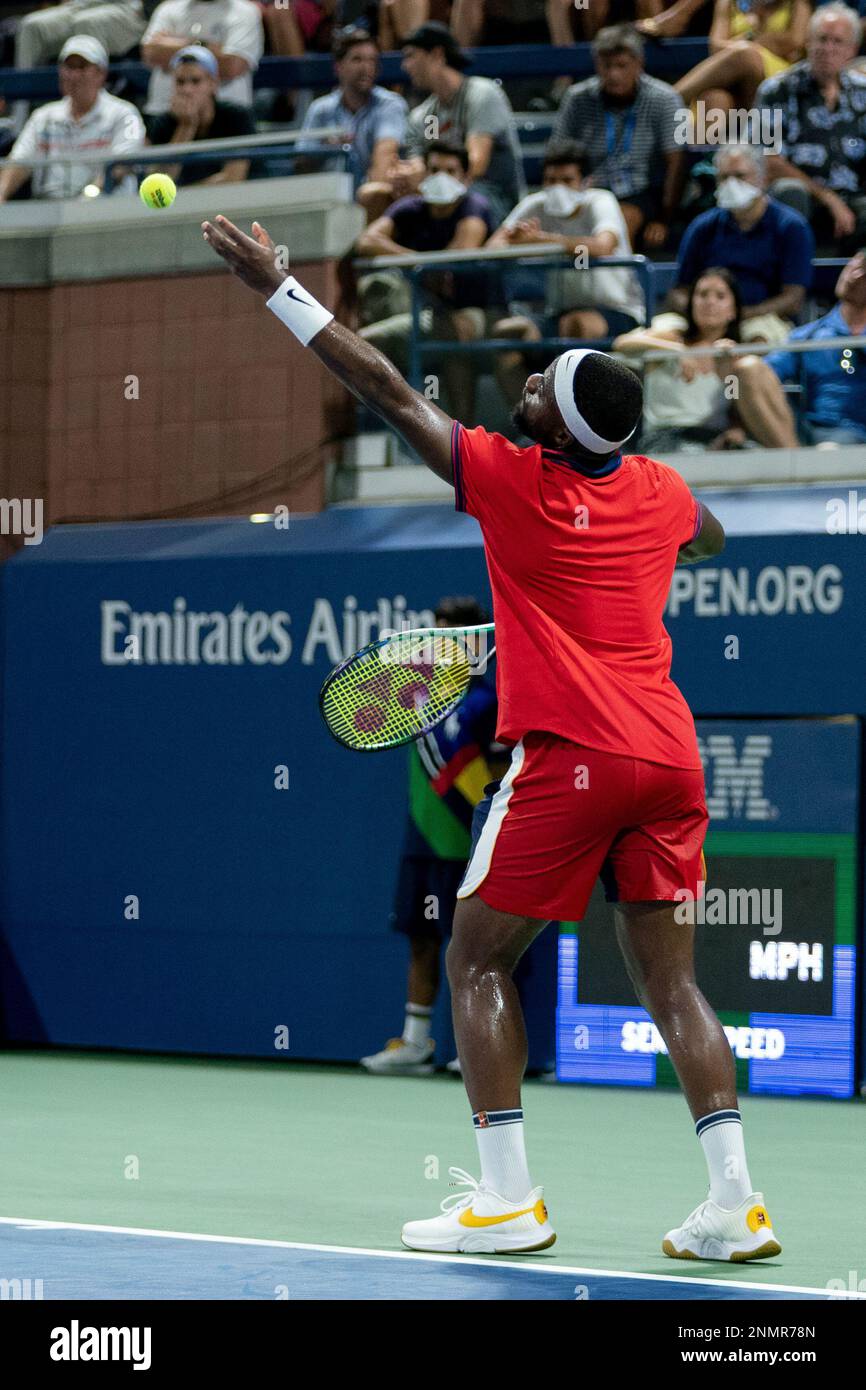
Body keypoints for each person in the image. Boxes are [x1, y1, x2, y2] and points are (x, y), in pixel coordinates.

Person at [203, 210, 782, 1265]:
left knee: (474, 959)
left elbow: (383, 387)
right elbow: (711, 538)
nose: (517, 392)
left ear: (556, 432)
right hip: (669, 754)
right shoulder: (658, 491)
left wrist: (274, 288)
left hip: (574, 754)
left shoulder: (511, 479)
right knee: (671, 981)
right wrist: (618, 586)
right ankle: (733, 1205)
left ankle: (509, 1200)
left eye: (532, 391)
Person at [361, 597, 504, 1076]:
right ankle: (417, 1043)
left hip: (468, 846)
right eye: (436, 633)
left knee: (474, 950)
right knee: (421, 941)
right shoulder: (415, 704)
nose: (440, 644)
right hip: (420, 841)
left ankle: (481, 1048)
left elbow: (502, 775)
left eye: (452, 635)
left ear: (473, 642)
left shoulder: (488, 703)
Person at [485, 138, 645, 406]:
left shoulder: (601, 201)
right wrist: (514, 239)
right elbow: (491, 248)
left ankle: (577, 425)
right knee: (506, 333)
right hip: (558, 314)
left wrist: (540, 240)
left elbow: (604, 245)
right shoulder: (536, 204)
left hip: (618, 311)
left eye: (567, 180)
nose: (557, 187)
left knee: (576, 325)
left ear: (586, 182)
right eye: (551, 180)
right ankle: (533, 424)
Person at [355, 138, 495, 416]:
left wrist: (420, 265)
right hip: (428, 313)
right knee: (361, 343)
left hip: (482, 311)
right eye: (433, 170)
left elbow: (459, 256)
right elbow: (367, 240)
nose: (440, 178)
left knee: (454, 331)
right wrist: (415, 260)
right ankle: (391, 428)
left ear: (466, 178)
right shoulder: (411, 208)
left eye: (450, 171)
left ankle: (462, 433)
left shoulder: (475, 206)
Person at [614, 267, 798, 449]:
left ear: (733, 310)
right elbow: (622, 344)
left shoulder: (733, 356)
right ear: (691, 303)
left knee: (754, 457)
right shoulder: (671, 336)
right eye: (702, 295)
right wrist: (679, 351)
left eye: (720, 296)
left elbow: (733, 407)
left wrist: (727, 371)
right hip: (667, 436)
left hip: (713, 437)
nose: (710, 302)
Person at [552, 24, 686, 250]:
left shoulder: (665, 99)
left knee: (619, 221)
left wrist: (664, 218)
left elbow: (676, 163)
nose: (614, 74)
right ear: (597, 64)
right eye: (606, 66)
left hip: (641, 192)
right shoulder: (577, 98)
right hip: (589, 189)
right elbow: (559, 153)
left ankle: (621, 280)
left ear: (638, 63)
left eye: (622, 66)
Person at [670, 143, 815, 334]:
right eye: (723, 177)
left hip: (763, 318)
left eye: (740, 176)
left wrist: (738, 315)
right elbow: (677, 292)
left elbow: (793, 299)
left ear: (763, 179)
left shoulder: (791, 227)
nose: (731, 184)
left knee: (757, 339)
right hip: (704, 320)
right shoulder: (703, 226)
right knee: (660, 334)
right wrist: (702, 313)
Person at [758, 3, 866, 252]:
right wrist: (827, 198)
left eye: (837, 42)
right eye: (821, 39)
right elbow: (767, 157)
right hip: (801, 194)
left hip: (852, 196)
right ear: (808, 42)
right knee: (789, 192)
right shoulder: (777, 90)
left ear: (852, 50)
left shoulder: (862, 92)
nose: (827, 49)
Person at [398, 20, 525, 224]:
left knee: (466, 199)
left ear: (437, 55)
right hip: (439, 194)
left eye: (411, 55)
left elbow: (475, 166)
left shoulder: (482, 94)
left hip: (492, 196)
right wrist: (406, 175)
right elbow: (421, 162)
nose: (405, 65)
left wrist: (423, 179)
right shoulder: (425, 115)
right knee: (378, 194)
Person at [0, 34, 145, 203]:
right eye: (69, 67)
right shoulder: (43, 117)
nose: (74, 75)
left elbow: (122, 163)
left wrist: (88, 197)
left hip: (106, 208)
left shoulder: (124, 114)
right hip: (50, 210)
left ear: (101, 73)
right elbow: (20, 161)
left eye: (82, 67)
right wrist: (1, 193)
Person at [756, 248, 866, 443]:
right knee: (747, 369)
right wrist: (732, 381)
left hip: (856, 432)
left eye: (864, 271)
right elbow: (762, 374)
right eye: (853, 265)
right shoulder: (807, 335)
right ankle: (794, 461)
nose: (854, 275)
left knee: (832, 448)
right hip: (806, 430)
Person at [299, 26, 408, 205]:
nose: (366, 68)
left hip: (371, 200)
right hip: (325, 200)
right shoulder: (320, 109)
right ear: (338, 66)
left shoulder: (390, 105)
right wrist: (326, 148)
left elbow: (385, 156)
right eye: (357, 59)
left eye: (372, 60)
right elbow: (301, 164)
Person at [674, 0, 811, 114]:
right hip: (733, 73)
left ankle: (669, 98)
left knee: (746, 55)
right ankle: (687, 145)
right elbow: (716, 46)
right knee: (715, 100)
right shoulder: (727, 2)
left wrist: (745, 42)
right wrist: (759, 41)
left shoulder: (797, 3)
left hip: (781, 72)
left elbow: (794, 42)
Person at [146, 45, 255, 186]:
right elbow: (159, 184)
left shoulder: (237, 117)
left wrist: (182, 195)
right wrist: (186, 127)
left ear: (213, 84)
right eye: (180, 82)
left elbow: (233, 179)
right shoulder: (162, 123)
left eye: (195, 81)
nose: (187, 90)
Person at [141, 0, 264, 117]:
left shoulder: (245, 12)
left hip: (226, 113)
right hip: (163, 110)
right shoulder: (167, 9)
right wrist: (209, 48)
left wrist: (173, 44)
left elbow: (231, 66)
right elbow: (151, 54)